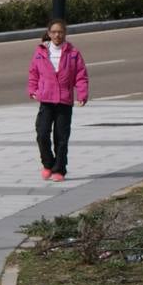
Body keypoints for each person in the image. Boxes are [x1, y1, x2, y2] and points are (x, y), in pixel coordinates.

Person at [26, 17, 89, 182]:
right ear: (49, 33)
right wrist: (33, 90)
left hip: (64, 101)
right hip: (46, 100)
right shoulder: (40, 52)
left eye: (60, 32)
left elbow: (81, 76)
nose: (57, 35)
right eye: (54, 32)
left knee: (61, 138)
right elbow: (34, 73)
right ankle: (48, 164)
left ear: (65, 33)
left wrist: (82, 94)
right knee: (42, 133)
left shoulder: (73, 53)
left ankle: (59, 169)